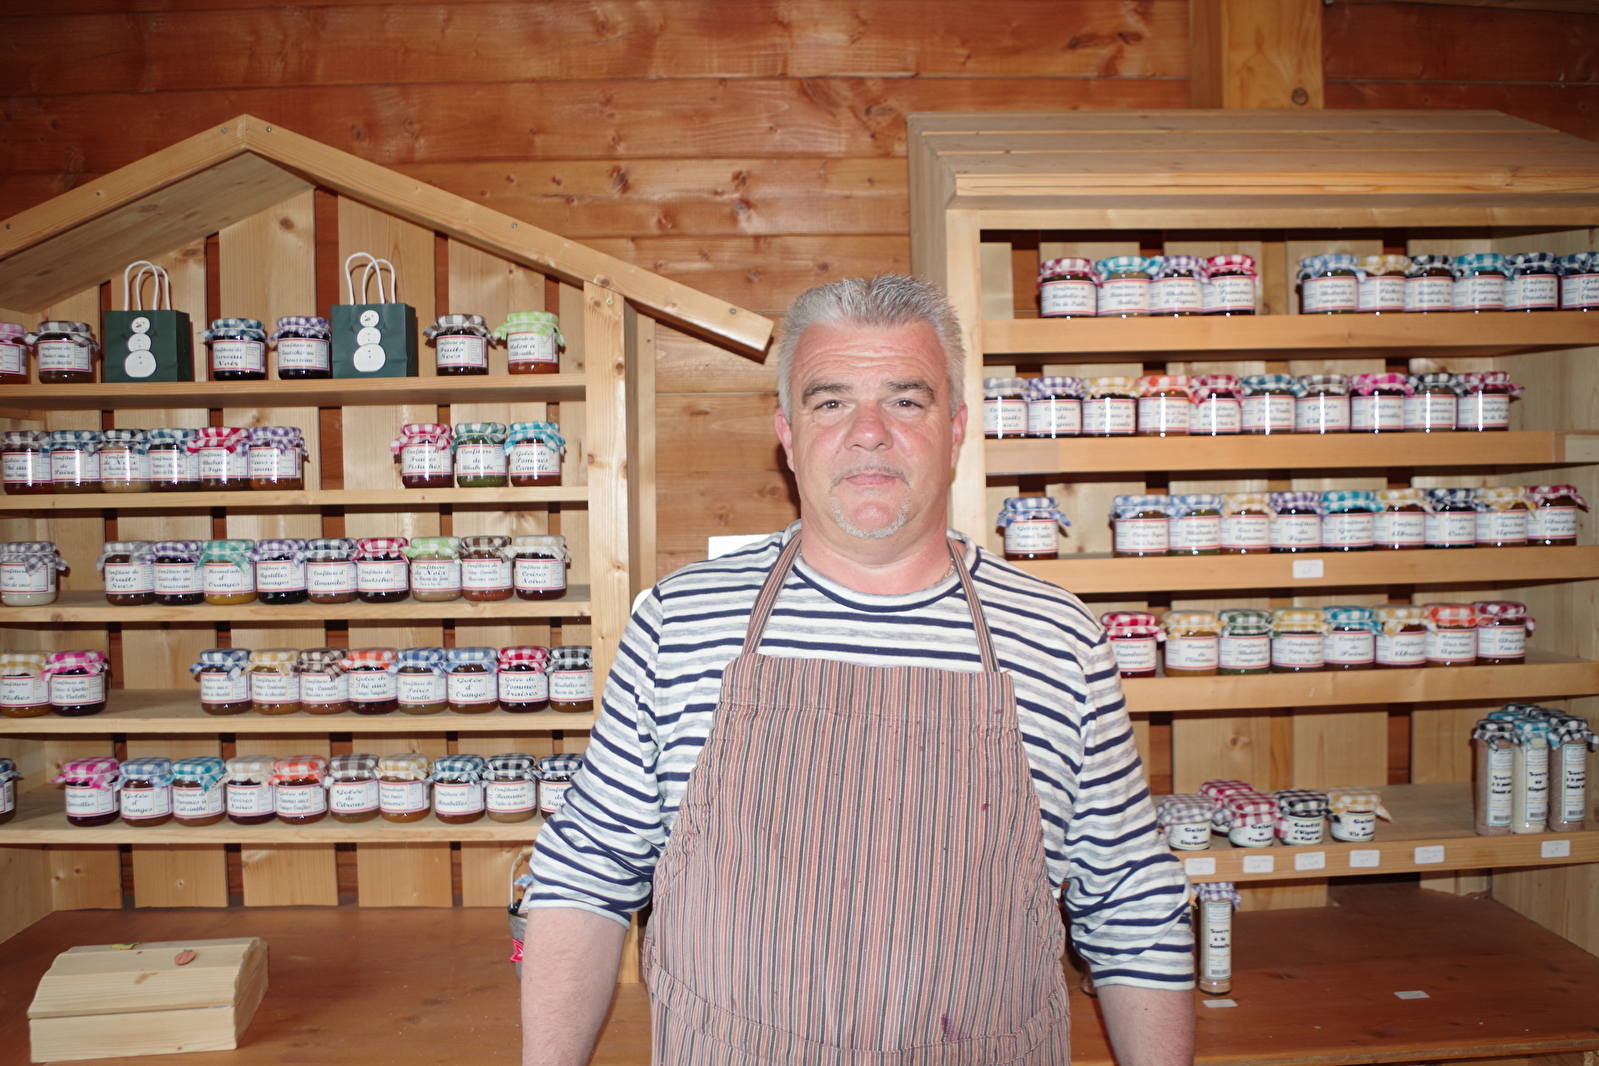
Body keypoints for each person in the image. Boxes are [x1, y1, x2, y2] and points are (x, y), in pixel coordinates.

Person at [522, 274, 1194, 1066]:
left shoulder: (1057, 639)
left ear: (955, 429)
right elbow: (586, 873)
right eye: (830, 401)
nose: (869, 432)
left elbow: (1130, 904)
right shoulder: (679, 623)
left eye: (905, 400)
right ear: (787, 433)